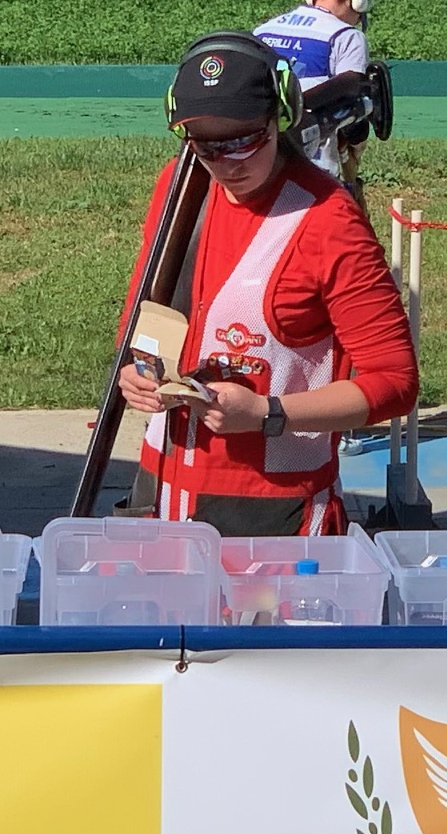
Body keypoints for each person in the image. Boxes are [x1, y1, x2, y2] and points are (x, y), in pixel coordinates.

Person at [114, 31, 416, 536]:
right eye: (206, 145)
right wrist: (135, 371)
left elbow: (395, 383)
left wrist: (267, 413)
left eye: (244, 140)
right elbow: (147, 311)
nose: (227, 161)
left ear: (281, 116)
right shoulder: (179, 185)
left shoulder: (328, 220)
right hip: (161, 485)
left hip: (273, 509)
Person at [253, 0, 373, 184]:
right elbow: (350, 85)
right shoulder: (346, 37)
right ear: (359, 0)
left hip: (259, 157)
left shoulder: (264, 31)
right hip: (314, 166)